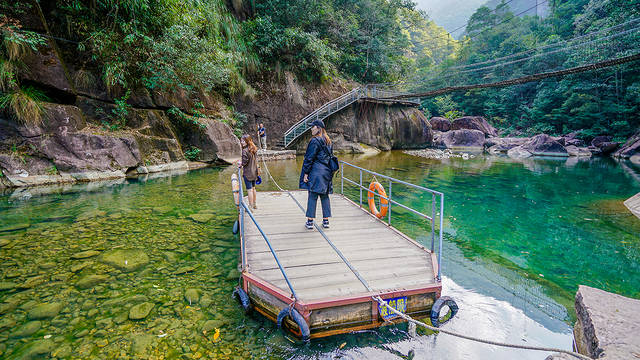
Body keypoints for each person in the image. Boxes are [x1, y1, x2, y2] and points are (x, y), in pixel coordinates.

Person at [299, 119, 333, 229]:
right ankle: (326, 221)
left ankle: (310, 222)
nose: (311, 129)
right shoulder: (328, 141)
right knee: (324, 196)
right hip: (326, 172)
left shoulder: (314, 141)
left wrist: (306, 173)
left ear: (318, 128)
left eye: (312, 127)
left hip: (316, 172)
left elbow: (309, 158)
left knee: (312, 196)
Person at [240, 134, 259, 209]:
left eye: (243, 141)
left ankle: (250, 207)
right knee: (253, 188)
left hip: (248, 173)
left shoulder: (245, 150)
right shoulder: (253, 148)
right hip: (254, 172)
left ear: (247, 141)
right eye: (241, 141)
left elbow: (244, 162)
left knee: (249, 190)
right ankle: (254, 204)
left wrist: (240, 164)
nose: (242, 142)